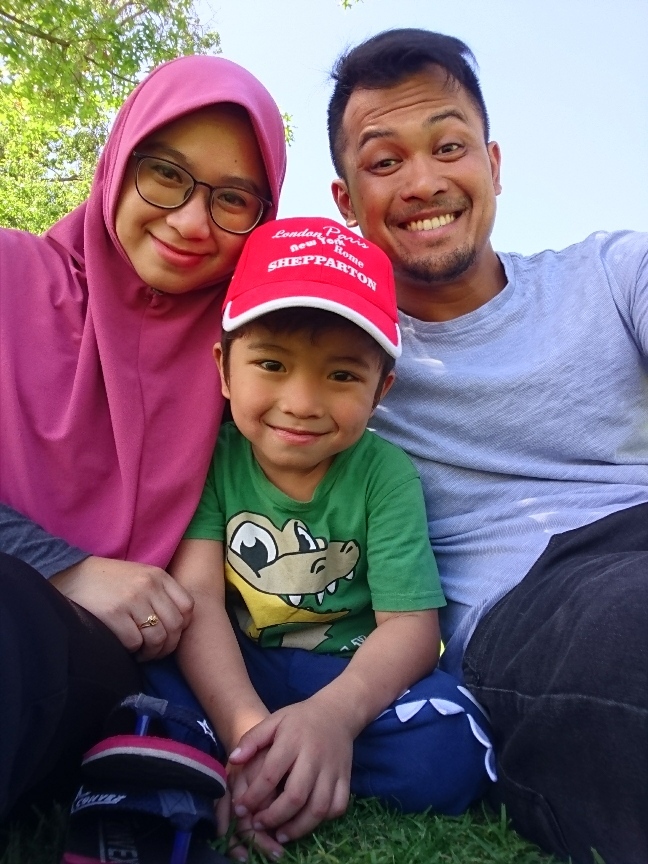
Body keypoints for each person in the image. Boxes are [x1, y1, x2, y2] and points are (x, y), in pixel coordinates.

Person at [326, 28, 648, 864]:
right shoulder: (335, 365)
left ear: (494, 165)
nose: (425, 179)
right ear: (344, 199)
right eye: (384, 161)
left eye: (449, 145)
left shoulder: (612, 273)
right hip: (544, 603)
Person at [0, 53, 287, 822]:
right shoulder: (8, 274)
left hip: (78, 667)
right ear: (120, 160)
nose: (192, 222)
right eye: (166, 174)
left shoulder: (244, 366)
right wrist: (65, 567)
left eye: (234, 199)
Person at [162, 216, 494, 859]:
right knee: (147, 679)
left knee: (450, 743)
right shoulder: (206, 453)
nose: (303, 401)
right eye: (271, 363)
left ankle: (285, 769)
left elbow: (411, 627)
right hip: (232, 668)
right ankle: (257, 760)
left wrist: (333, 719)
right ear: (224, 369)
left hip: (346, 676)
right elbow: (197, 592)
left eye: (342, 375)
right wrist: (244, 728)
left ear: (380, 391)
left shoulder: (384, 474)